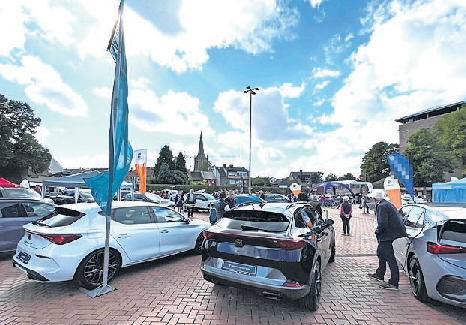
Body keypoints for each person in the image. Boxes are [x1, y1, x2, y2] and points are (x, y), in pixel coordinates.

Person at [368, 190, 407, 290]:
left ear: (375, 198)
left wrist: (378, 231)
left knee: (389, 257)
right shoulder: (387, 204)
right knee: (381, 253)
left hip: (387, 235)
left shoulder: (382, 206)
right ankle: (380, 273)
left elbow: (383, 223)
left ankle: (394, 282)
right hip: (392, 233)